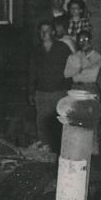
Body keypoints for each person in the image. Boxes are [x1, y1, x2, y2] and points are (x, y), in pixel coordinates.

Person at [28, 20, 72, 151]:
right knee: (42, 122)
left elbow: (71, 68)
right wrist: (31, 92)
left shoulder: (62, 48)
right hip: (41, 92)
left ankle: (60, 149)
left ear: (53, 32)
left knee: (59, 121)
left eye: (47, 30)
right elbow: (32, 72)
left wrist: (67, 88)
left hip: (59, 92)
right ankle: (45, 149)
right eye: (41, 31)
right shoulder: (36, 50)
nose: (44, 33)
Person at [63, 29, 101, 93]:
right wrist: (79, 69)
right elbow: (66, 74)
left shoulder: (97, 56)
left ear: (90, 41)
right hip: (75, 87)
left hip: (90, 87)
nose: (83, 42)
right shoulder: (73, 56)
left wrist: (77, 70)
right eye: (80, 40)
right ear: (77, 42)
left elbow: (93, 76)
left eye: (86, 39)